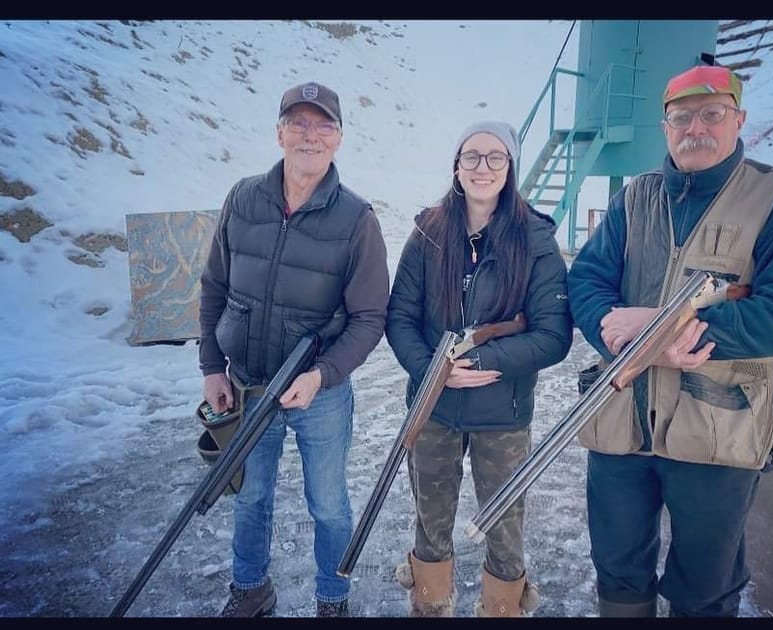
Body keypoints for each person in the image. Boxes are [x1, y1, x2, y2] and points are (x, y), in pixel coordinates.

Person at [567, 64, 773, 617]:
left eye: (712, 113)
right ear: (665, 127)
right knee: (617, 570)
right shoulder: (635, 197)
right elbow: (588, 279)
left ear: (738, 119)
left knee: (704, 585)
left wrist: (667, 331)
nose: (696, 128)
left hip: (720, 425)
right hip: (620, 416)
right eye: (681, 117)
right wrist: (611, 328)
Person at [198, 81, 390, 618]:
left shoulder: (357, 219)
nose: (311, 135)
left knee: (328, 505)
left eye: (323, 125)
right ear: (279, 133)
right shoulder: (243, 199)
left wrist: (321, 375)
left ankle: (332, 599)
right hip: (247, 385)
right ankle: (250, 590)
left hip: (318, 394)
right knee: (250, 497)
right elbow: (214, 286)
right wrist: (212, 367)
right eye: (299, 123)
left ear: (339, 138)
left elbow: (369, 318)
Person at [385, 121, 574, 617]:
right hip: (432, 408)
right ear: (456, 166)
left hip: (502, 414)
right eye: (471, 156)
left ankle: (502, 610)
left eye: (495, 157)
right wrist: (434, 371)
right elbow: (400, 317)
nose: (482, 167)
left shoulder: (535, 238)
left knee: (505, 530)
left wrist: (480, 360)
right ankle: (430, 605)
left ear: (510, 167)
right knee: (430, 523)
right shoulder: (428, 232)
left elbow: (553, 334)